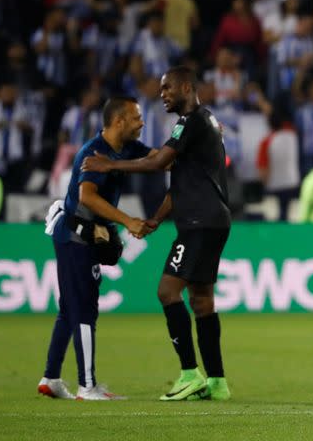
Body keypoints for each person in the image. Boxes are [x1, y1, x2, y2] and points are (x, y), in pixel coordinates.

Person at [81, 66, 232, 401]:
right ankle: (218, 383)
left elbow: (158, 162)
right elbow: (180, 181)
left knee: (167, 292)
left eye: (168, 88)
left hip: (198, 223)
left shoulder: (190, 122)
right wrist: (157, 219)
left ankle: (190, 374)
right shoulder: (204, 123)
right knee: (202, 301)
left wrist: (110, 164)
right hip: (212, 220)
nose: (162, 94)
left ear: (187, 87)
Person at [39, 96, 150, 400]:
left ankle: (50, 378)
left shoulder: (126, 148)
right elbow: (86, 196)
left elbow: (159, 157)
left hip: (85, 234)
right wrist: (127, 220)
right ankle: (87, 386)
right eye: (136, 118)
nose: (142, 123)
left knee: (69, 309)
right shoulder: (93, 153)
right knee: (84, 309)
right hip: (76, 236)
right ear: (118, 121)